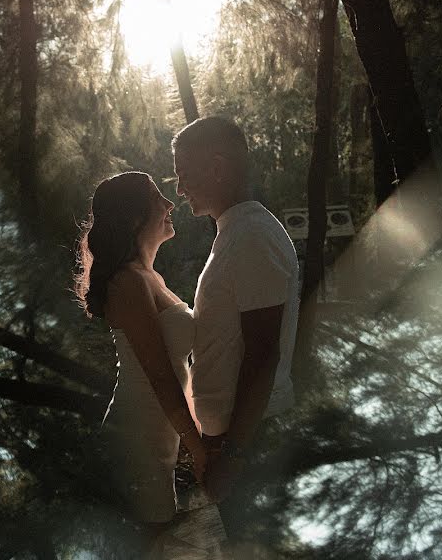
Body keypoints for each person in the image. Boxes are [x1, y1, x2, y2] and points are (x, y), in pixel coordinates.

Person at [73, 171, 225, 557]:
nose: (171, 205)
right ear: (134, 217)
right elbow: (160, 377)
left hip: (158, 434)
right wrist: (198, 449)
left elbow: (178, 371)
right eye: (160, 198)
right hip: (136, 435)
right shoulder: (127, 282)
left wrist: (199, 438)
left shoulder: (150, 276)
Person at [172, 117, 300, 529]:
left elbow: (263, 354)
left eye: (184, 173)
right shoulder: (235, 233)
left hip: (241, 441)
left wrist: (233, 456)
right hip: (227, 437)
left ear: (217, 167)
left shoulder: (252, 236)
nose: (179, 187)